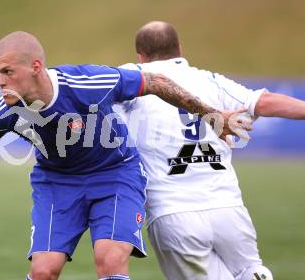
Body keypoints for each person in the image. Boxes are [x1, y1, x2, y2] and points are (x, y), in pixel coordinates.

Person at [0, 31, 248, 280]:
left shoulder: (89, 82)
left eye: (7, 73)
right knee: (45, 270)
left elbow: (155, 81)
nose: (0, 82)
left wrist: (211, 116)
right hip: (56, 183)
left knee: (110, 259)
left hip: (116, 175)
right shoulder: (2, 110)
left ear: (35, 67)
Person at [116, 21, 305, 280]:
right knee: (251, 270)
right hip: (228, 208)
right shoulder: (210, 80)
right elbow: (265, 102)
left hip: (173, 211)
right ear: (180, 49)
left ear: (140, 55)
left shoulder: (131, 78)